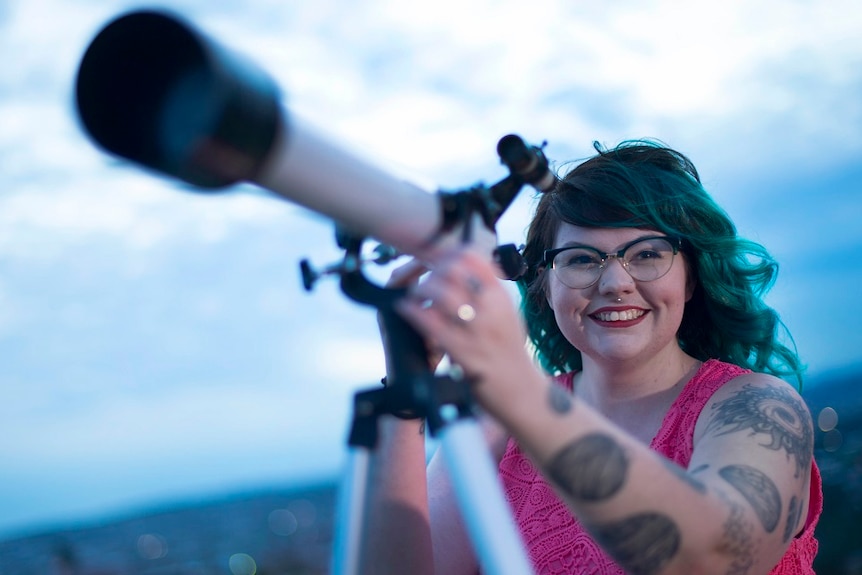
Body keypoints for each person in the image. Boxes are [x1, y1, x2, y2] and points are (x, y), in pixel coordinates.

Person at [359, 140, 821, 575]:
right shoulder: (496, 432)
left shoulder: (756, 407)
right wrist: (406, 388)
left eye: (647, 254)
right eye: (581, 259)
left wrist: (516, 385)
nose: (616, 282)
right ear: (544, 285)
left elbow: (718, 556)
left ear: (691, 278)